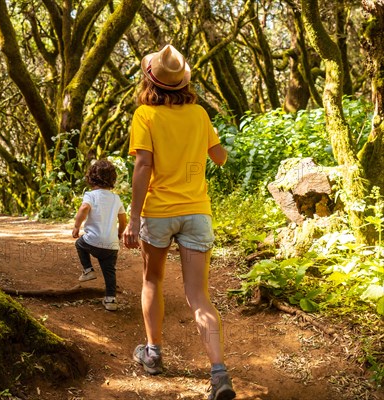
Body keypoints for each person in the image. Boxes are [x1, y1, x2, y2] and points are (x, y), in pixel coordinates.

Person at [123, 44, 234, 400]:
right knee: (199, 296)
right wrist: (203, 143)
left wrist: (134, 216)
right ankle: (219, 373)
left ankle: (153, 354)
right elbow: (220, 158)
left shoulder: (145, 116)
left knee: (152, 279)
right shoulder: (200, 114)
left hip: (159, 213)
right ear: (183, 81)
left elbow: (143, 166)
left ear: (150, 79)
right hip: (197, 212)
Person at [72, 159, 128, 311]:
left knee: (79, 244)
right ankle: (111, 300)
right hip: (111, 245)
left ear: (91, 177)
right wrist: (119, 233)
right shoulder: (116, 198)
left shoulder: (91, 195)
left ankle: (88, 270)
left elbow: (84, 208)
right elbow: (123, 219)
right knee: (109, 271)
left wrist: (77, 227)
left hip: (91, 241)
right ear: (112, 179)